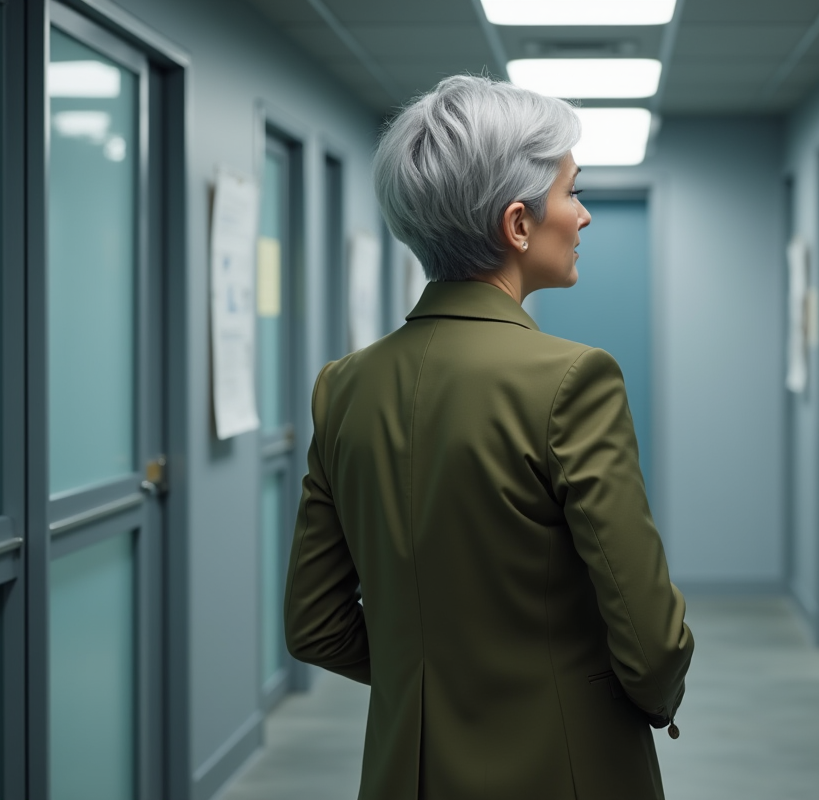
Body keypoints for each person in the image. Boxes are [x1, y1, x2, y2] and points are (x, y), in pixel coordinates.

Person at [283, 74, 694, 800]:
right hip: (565, 768)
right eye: (573, 191)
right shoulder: (573, 380)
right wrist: (648, 700)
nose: (585, 216)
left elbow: (314, 623)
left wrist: (432, 676)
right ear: (517, 225)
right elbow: (652, 639)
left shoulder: (341, 388)